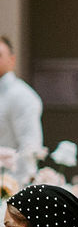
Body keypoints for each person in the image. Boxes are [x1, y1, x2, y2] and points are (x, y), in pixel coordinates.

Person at [0, 34, 45, 162]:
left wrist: (16, 182)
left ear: (12, 60)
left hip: (7, 179)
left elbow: (30, 148)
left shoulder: (22, 96)